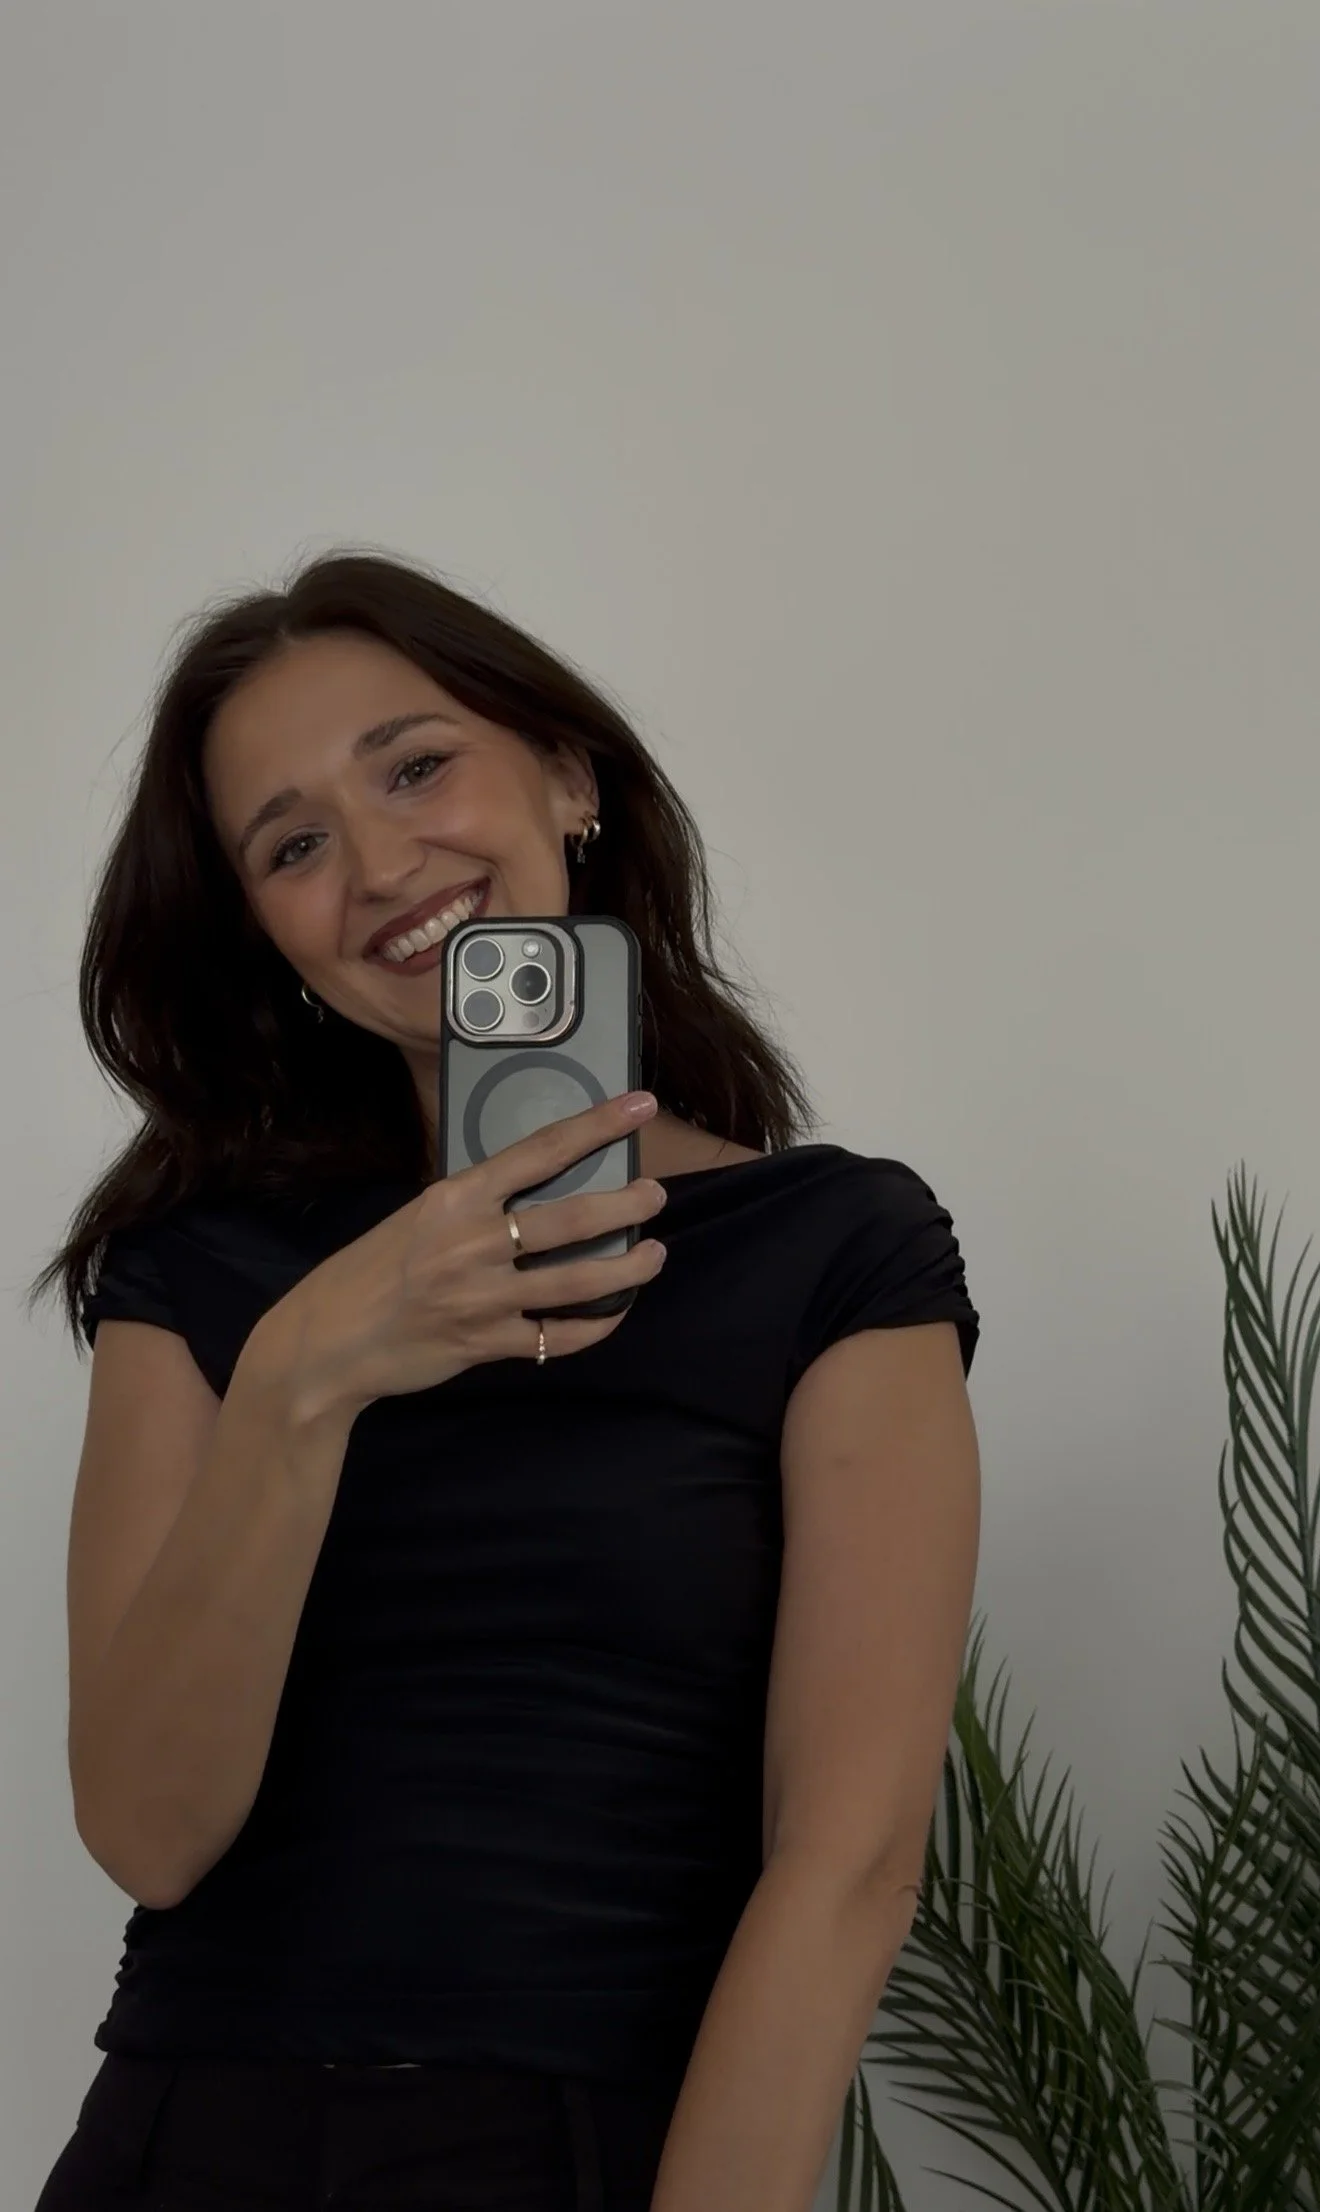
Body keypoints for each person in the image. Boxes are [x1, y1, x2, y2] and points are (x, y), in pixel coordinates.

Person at [28, 549, 983, 2212]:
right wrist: (311, 1374)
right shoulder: (200, 1277)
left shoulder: (832, 1251)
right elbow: (148, 1829)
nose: (384, 860)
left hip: (587, 2152)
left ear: (565, 772)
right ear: (264, 931)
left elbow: (845, 1866)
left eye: (415, 765)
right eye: (294, 842)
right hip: (187, 2143)